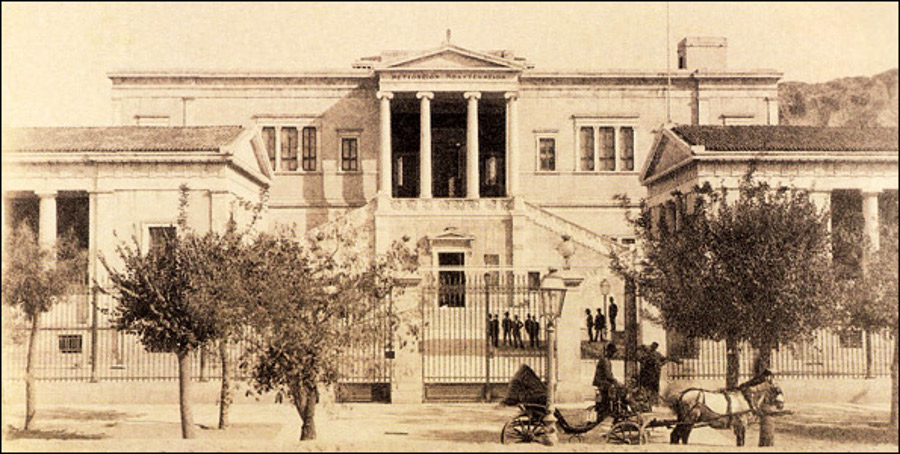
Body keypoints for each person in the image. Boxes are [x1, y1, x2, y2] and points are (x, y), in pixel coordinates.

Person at [593, 342, 621, 414]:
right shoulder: (605, 361)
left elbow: (609, 375)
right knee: (616, 393)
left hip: (602, 383)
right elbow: (608, 375)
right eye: (613, 352)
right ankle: (613, 411)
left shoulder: (606, 360)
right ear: (609, 352)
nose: (613, 354)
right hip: (602, 384)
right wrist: (615, 381)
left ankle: (612, 410)